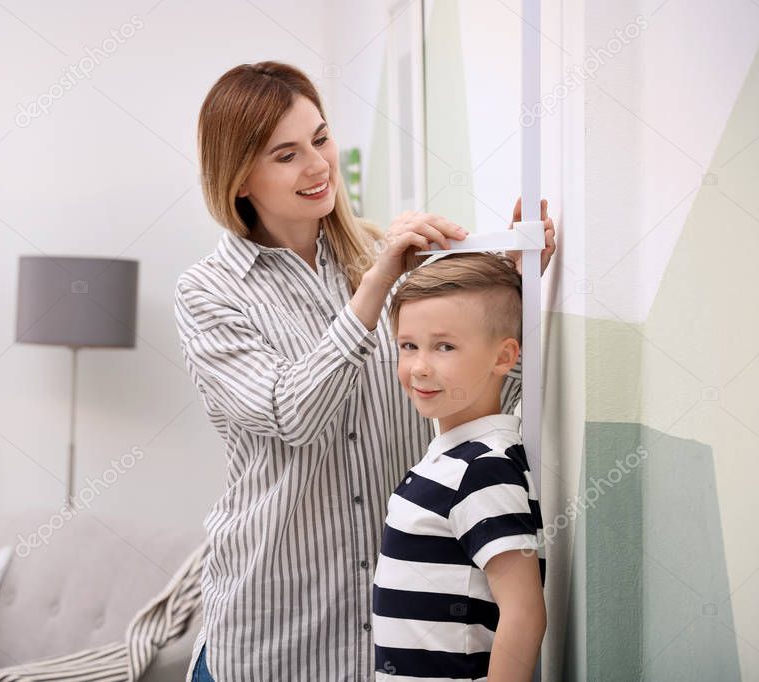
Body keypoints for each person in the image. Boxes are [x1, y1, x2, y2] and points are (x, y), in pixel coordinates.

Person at [174, 60, 556, 681]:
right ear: (240, 177)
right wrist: (378, 282)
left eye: (320, 138)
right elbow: (290, 414)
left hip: (392, 634)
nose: (319, 165)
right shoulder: (209, 294)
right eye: (286, 154)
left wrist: (513, 293)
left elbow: (473, 394)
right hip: (274, 631)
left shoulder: (381, 256)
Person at [372, 253, 546, 681]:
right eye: (408, 345)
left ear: (504, 357)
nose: (419, 367)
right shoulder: (447, 458)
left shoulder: (482, 469)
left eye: (444, 346)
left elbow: (524, 614)